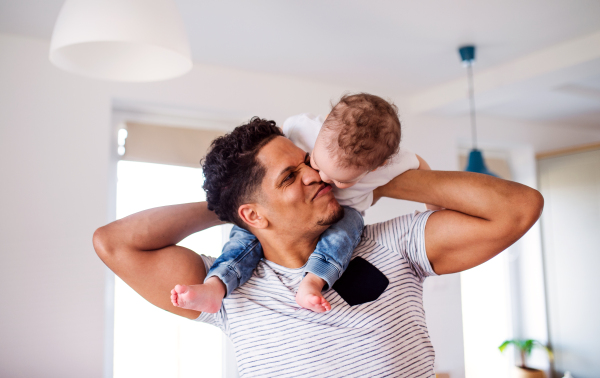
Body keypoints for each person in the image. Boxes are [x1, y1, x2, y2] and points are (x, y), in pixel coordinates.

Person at [93, 118, 543, 377]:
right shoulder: (225, 290)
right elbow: (113, 243)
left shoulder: (395, 243)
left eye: (307, 163)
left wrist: (369, 178)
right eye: (290, 177)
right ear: (252, 215)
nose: (314, 175)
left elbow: (520, 207)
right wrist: (227, 205)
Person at [171, 93, 438, 314]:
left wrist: (398, 193)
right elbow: (127, 238)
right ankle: (216, 286)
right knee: (240, 241)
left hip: (349, 214)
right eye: (309, 164)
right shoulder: (303, 129)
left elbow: (424, 173)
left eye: (340, 180)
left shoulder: (389, 169)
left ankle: (315, 278)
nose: (319, 177)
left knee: (345, 230)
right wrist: (230, 205)